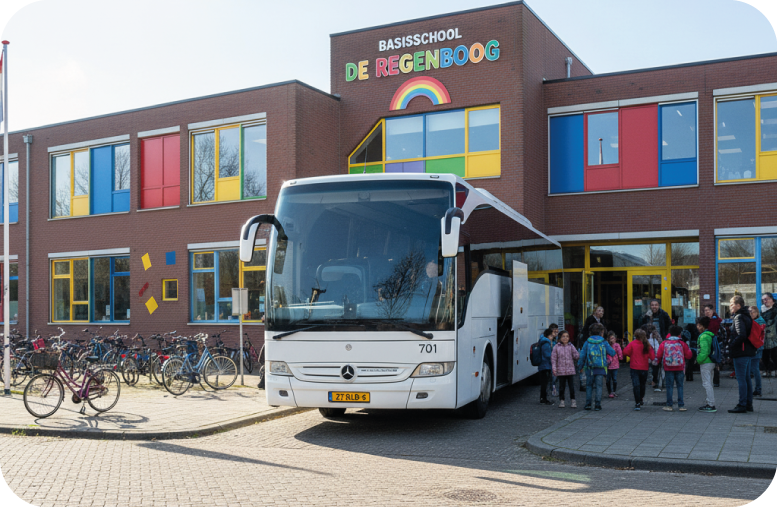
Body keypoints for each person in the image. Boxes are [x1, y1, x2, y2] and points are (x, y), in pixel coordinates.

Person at [728, 296, 756, 414]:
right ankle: (748, 404)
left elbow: (741, 335)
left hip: (741, 352)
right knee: (746, 379)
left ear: (738, 305)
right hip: (748, 351)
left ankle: (742, 404)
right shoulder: (747, 316)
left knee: (741, 380)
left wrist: (731, 345)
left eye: (731, 304)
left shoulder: (739, 317)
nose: (730, 306)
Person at [578, 323, 615, 411]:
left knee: (589, 386)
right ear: (601, 332)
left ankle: (588, 404)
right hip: (601, 367)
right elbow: (612, 352)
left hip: (589, 367)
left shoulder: (587, 342)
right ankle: (598, 404)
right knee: (599, 386)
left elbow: (582, 355)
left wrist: (580, 366)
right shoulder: (603, 342)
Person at [657, 325, 692, 411]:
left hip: (668, 368)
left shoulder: (664, 343)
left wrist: (657, 363)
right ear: (679, 334)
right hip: (680, 367)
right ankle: (681, 405)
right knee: (680, 386)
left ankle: (669, 405)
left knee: (669, 386)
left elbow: (659, 355)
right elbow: (689, 355)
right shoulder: (681, 343)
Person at [623, 329, 655, 411]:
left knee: (636, 385)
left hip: (634, 367)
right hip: (644, 368)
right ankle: (641, 398)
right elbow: (652, 357)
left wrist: (632, 355)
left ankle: (637, 402)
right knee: (642, 384)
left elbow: (625, 352)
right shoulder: (647, 345)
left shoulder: (632, 344)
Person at [579, 307, 605, 392]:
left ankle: (590, 382)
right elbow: (586, 332)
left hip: (596, 344)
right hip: (590, 343)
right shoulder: (590, 319)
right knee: (586, 363)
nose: (601, 312)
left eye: (602, 311)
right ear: (595, 312)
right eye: (599, 310)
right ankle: (584, 383)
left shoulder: (601, 321)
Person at [551, 330, 579, 408]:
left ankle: (573, 400)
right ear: (560, 337)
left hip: (570, 370)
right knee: (561, 387)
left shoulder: (571, 346)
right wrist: (554, 368)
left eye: (567, 336)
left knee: (571, 387)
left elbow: (576, 355)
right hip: (561, 370)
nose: (565, 338)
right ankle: (562, 400)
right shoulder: (556, 347)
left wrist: (578, 355)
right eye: (563, 336)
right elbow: (553, 359)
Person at [696, 316, 717, 413]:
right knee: (710, 383)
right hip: (712, 361)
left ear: (701, 326)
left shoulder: (703, 336)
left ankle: (710, 404)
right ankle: (710, 402)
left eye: (698, 325)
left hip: (706, 362)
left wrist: (698, 360)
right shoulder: (710, 335)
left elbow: (704, 351)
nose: (697, 327)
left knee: (706, 383)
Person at [704, 304, 723, 387]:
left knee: (714, 361)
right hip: (709, 343)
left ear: (712, 311)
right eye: (705, 311)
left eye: (708, 310)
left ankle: (715, 381)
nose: (706, 312)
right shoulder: (706, 320)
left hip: (715, 343)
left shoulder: (715, 321)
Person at [749, 306, 765, 397]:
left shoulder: (758, 322)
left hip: (757, 347)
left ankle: (758, 389)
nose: (751, 314)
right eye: (750, 312)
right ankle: (756, 389)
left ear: (757, 313)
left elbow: (757, 336)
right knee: (754, 369)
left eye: (753, 312)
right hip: (756, 347)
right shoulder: (758, 321)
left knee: (755, 369)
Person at [762, 293, 777, 378]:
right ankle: (767, 369)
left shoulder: (776, 310)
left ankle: (775, 369)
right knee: (765, 354)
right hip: (764, 336)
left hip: (775, 335)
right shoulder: (760, 311)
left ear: (772, 300)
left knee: (775, 354)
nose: (765, 301)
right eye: (764, 299)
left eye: (767, 299)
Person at [538, 328, 554, 405]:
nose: (553, 337)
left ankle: (543, 397)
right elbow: (547, 355)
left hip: (543, 365)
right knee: (545, 383)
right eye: (551, 335)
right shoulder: (546, 343)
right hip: (545, 365)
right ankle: (544, 398)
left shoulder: (542, 341)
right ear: (548, 335)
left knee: (544, 382)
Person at [606, 331, 623, 398]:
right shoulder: (607, 345)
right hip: (608, 365)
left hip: (615, 365)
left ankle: (614, 391)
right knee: (608, 380)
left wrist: (621, 357)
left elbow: (620, 353)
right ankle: (609, 392)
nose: (612, 339)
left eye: (613, 338)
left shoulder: (617, 345)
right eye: (611, 338)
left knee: (614, 379)